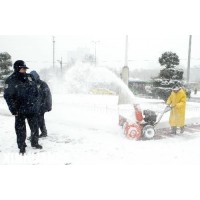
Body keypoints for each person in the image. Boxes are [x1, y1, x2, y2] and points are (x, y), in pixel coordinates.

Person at [4, 60, 42, 155]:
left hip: (31, 107)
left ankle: (34, 142)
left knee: (34, 127)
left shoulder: (30, 77)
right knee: (20, 129)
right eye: (22, 68)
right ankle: (22, 146)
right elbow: (8, 96)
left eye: (25, 68)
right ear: (17, 68)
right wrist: (13, 109)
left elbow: (36, 91)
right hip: (19, 109)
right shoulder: (10, 80)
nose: (24, 70)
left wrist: (36, 103)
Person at [30, 70, 52, 137]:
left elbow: (48, 96)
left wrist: (48, 106)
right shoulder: (31, 84)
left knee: (39, 120)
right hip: (35, 106)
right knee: (37, 120)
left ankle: (41, 133)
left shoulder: (42, 84)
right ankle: (41, 133)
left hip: (41, 106)